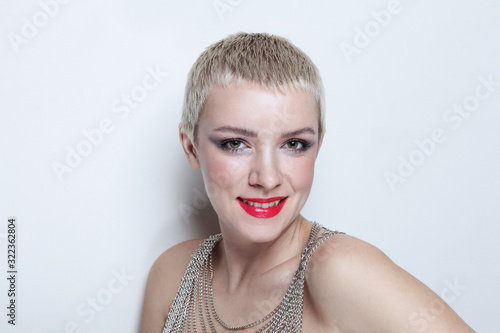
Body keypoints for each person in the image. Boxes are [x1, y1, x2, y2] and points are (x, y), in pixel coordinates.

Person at [140, 32, 475, 332]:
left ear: (318, 146)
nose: (267, 178)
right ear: (190, 146)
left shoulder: (339, 271)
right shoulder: (173, 274)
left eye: (294, 144)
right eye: (235, 144)